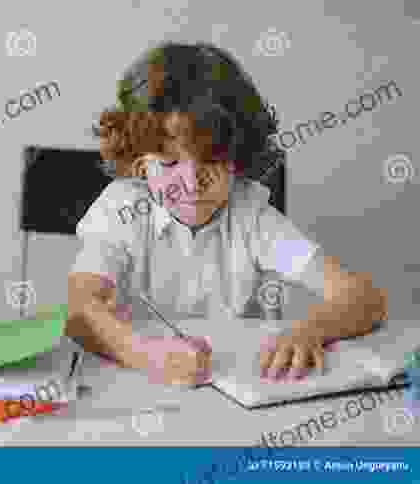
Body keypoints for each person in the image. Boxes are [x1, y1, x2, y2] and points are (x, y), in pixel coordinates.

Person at [66, 41, 388, 386]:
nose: (190, 184)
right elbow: (80, 311)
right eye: (170, 162)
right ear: (141, 163)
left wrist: (309, 330)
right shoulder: (122, 210)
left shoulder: (252, 219)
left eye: (210, 161)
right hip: (135, 386)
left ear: (238, 159)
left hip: (238, 392)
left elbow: (364, 297)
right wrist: (146, 355)